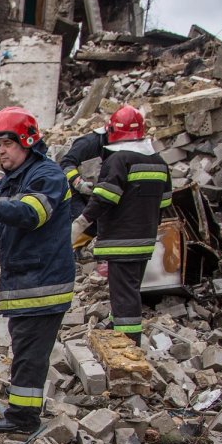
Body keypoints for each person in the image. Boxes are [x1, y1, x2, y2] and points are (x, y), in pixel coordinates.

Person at [0, 107, 75, 435]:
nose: (0, 150)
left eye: (7, 143)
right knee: (24, 350)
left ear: (27, 141)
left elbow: (33, 213)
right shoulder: (11, 180)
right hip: (24, 280)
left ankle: (23, 420)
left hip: (42, 282)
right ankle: (22, 412)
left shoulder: (48, 175)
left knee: (30, 354)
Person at [71, 106, 172, 346]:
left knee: (124, 294)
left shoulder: (118, 159)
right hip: (145, 238)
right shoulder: (159, 162)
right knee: (130, 288)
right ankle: (118, 325)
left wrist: (81, 223)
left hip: (120, 240)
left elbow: (106, 197)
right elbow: (166, 201)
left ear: (112, 132)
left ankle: (127, 342)